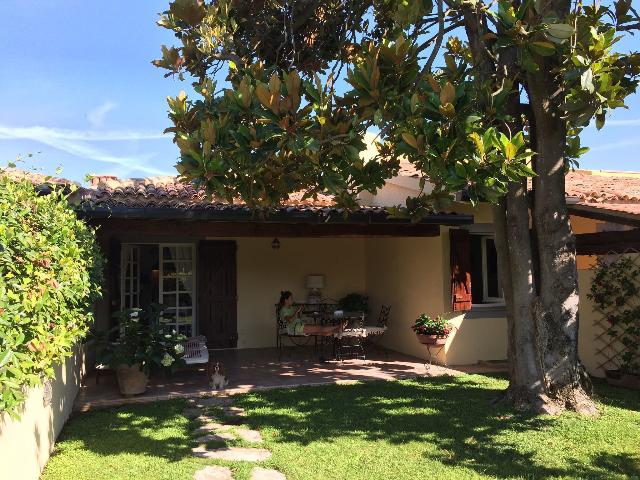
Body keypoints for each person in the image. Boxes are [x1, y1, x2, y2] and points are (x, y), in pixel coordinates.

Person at [278, 291, 342, 336]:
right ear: (286, 300)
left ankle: (336, 330)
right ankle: (338, 327)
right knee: (319, 328)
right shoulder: (283, 310)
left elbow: (298, 317)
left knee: (320, 331)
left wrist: (300, 311)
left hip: (299, 325)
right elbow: (290, 320)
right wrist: (296, 312)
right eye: (291, 299)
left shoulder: (290, 308)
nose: (292, 300)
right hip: (294, 328)